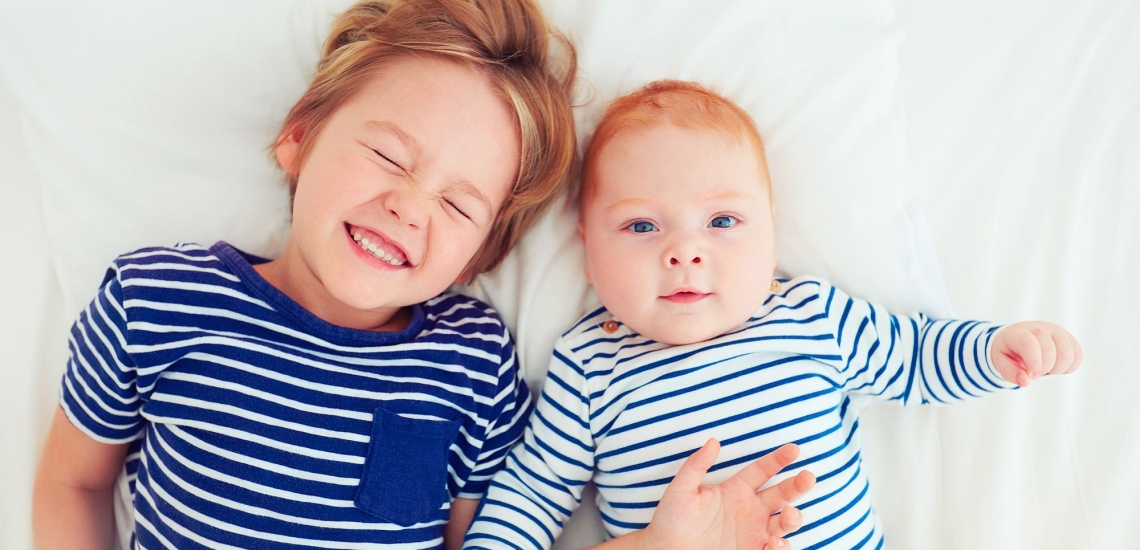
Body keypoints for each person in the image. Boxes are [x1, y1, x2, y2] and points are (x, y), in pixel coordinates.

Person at [30, 0, 579, 547]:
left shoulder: (475, 362)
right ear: (300, 135)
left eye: (459, 207)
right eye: (389, 156)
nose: (410, 209)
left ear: (480, 256)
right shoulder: (155, 303)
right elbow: (72, 483)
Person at [463, 80, 1083, 550]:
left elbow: (914, 357)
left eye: (723, 222)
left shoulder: (809, 315)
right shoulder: (589, 363)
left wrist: (994, 350)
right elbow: (536, 489)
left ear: (771, 237)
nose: (685, 251)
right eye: (641, 225)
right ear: (588, 255)